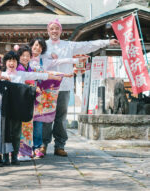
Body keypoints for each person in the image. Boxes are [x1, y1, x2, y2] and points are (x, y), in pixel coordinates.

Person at [40, 19, 120, 157]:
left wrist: (107, 42)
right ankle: (43, 145)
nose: (54, 31)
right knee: (47, 116)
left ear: (61, 31)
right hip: (48, 86)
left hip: (64, 86)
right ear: (48, 31)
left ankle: (59, 145)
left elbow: (87, 45)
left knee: (60, 117)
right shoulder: (43, 46)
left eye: (56, 28)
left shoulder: (68, 45)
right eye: (51, 28)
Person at [1, 51, 61, 164]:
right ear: (5, 62)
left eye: (13, 61)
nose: (11, 63)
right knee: (7, 132)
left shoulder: (21, 74)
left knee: (23, 131)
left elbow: (38, 75)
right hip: (7, 108)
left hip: (20, 107)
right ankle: (7, 154)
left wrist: (53, 77)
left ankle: (23, 153)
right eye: (9, 61)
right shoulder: (1, 75)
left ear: (16, 62)